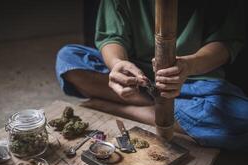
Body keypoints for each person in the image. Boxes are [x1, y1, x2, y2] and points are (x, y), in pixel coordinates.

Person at [55, 0, 248, 150]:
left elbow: (226, 41)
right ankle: (160, 108)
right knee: (69, 58)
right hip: (139, 74)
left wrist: (189, 66)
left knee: (242, 121)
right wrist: (118, 64)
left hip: (196, 79)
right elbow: (111, 37)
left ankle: (124, 109)